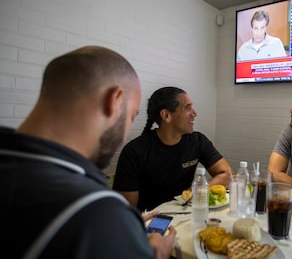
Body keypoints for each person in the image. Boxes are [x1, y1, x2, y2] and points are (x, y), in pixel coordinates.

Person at [0, 46, 176, 259]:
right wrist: (153, 253)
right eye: (131, 116)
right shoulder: (97, 211)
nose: (125, 136)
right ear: (115, 100)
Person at [113, 86, 232, 212]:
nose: (194, 113)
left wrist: (200, 189)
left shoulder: (197, 141)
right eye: (187, 107)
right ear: (166, 115)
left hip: (185, 214)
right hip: (152, 222)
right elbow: (125, 211)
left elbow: (228, 175)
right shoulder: (134, 152)